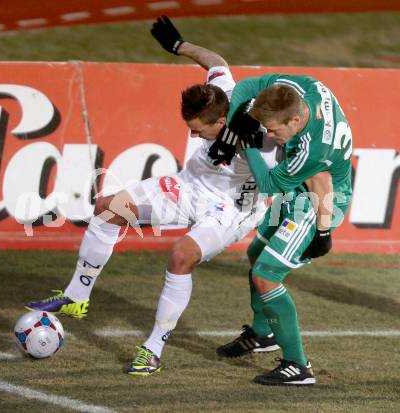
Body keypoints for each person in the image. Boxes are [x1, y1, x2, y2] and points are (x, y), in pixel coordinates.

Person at [26, 16, 283, 375]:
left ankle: (153, 347)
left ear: (221, 123)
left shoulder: (263, 133)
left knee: (181, 256)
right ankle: (76, 297)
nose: (193, 137)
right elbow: (217, 62)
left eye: (198, 131)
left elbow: (284, 164)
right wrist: (180, 46)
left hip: (230, 209)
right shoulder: (221, 94)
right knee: (107, 207)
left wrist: (250, 146)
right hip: (189, 184)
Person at [212, 68, 353, 386]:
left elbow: (269, 182)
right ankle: (264, 334)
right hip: (306, 188)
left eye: (273, 130)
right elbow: (248, 85)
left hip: (321, 204)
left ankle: (298, 366)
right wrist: (240, 122)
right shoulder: (303, 88)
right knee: (256, 250)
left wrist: (244, 141)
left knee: (266, 274)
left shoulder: (312, 148)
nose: (270, 136)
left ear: (294, 121)